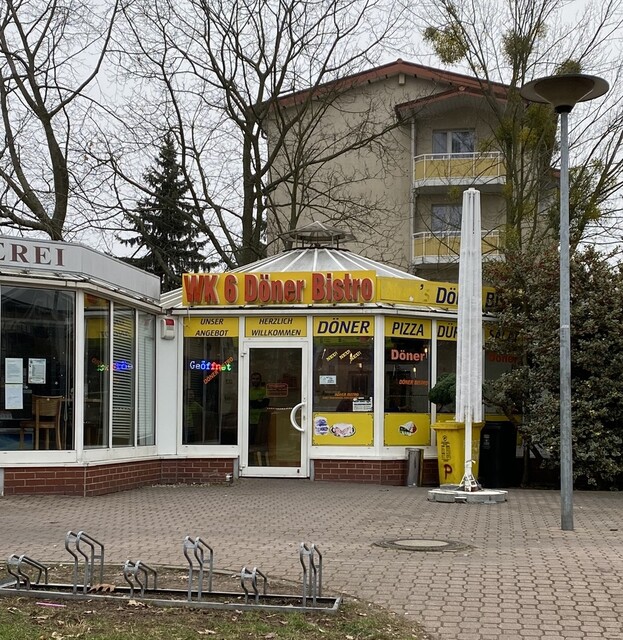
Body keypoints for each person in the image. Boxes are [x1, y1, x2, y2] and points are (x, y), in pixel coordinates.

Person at [249, 372, 269, 446]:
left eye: (257, 379)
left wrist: (254, 403)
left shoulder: (264, 391)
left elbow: (264, 404)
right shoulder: (248, 391)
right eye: (253, 378)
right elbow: (248, 404)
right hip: (250, 420)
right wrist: (257, 402)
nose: (255, 380)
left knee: (261, 440)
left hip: (261, 419)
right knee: (251, 440)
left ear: (260, 380)